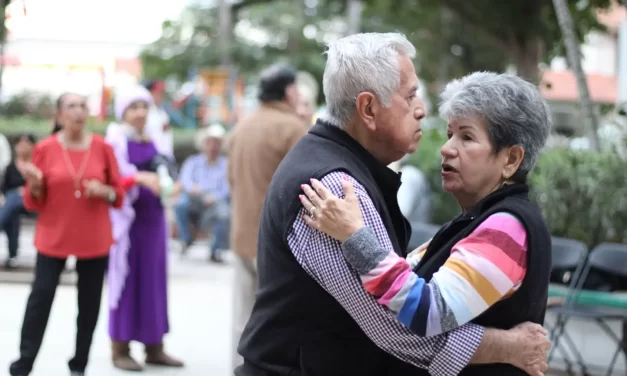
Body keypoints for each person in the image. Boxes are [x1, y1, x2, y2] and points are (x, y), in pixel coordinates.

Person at [235, 33, 550, 376]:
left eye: (467, 137)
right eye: (411, 95)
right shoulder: (336, 191)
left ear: (511, 159)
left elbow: (411, 293)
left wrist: (357, 237)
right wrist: (508, 347)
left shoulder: (503, 223)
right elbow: (399, 329)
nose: (421, 110)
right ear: (368, 108)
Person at [9, 92, 124, 376]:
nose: (78, 111)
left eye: (83, 105)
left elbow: (119, 194)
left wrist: (104, 191)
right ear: (60, 115)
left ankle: (79, 365)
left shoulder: (103, 147)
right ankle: (24, 362)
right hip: (53, 236)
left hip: (94, 238)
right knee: (41, 297)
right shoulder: (46, 148)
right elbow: (32, 201)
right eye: (71, 106)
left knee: (89, 304)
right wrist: (34, 185)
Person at [228, 62, 309, 370]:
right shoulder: (290, 128)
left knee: (243, 317)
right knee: (277, 323)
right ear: (289, 91)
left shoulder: (243, 126)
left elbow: (231, 181)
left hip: (241, 236)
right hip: (276, 243)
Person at [106, 85, 183, 371]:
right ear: (123, 112)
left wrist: (174, 185)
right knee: (125, 282)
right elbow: (113, 179)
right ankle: (119, 348)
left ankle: (154, 346)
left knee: (153, 281)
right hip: (127, 225)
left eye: (144, 106)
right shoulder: (115, 140)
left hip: (154, 221)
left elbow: (169, 171)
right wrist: (139, 179)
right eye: (133, 107)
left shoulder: (158, 139)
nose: (140, 112)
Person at [175, 123, 230, 262]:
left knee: (225, 214)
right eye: (210, 142)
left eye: (217, 142)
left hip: (215, 200)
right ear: (204, 144)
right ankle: (186, 238)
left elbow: (228, 187)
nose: (213, 146)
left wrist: (215, 196)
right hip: (195, 198)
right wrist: (193, 188)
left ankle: (216, 250)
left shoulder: (226, 165)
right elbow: (185, 181)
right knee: (180, 203)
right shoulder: (193, 162)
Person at [0, 133, 36, 268]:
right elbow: (4, 187)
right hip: (13, 204)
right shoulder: (11, 167)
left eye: (26, 144)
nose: (23, 147)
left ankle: (12, 254)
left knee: (13, 199)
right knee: (12, 212)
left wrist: (25, 190)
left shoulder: (36, 164)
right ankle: (13, 255)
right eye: (20, 145)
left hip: (32, 202)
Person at [143, 79, 174, 159]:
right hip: (151, 157)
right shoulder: (144, 113)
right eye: (158, 93)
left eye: (162, 93)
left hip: (165, 156)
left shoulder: (162, 112)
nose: (161, 96)